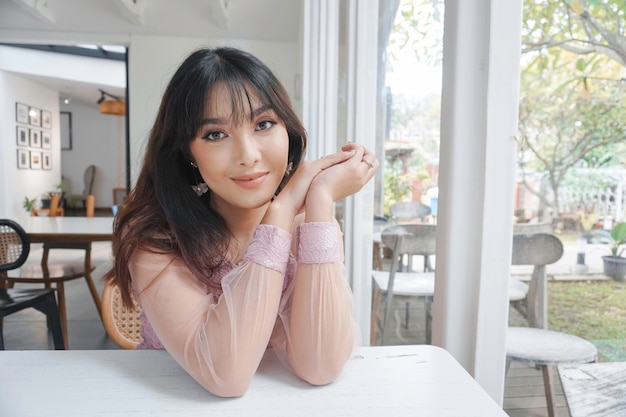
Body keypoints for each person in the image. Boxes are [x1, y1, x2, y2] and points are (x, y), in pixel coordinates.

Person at [105, 46, 378, 398]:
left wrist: (320, 201)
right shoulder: (156, 236)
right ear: (188, 152)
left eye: (263, 124)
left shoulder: (308, 224)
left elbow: (320, 366)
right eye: (215, 134)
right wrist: (280, 213)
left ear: (287, 130)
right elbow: (225, 376)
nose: (248, 155)